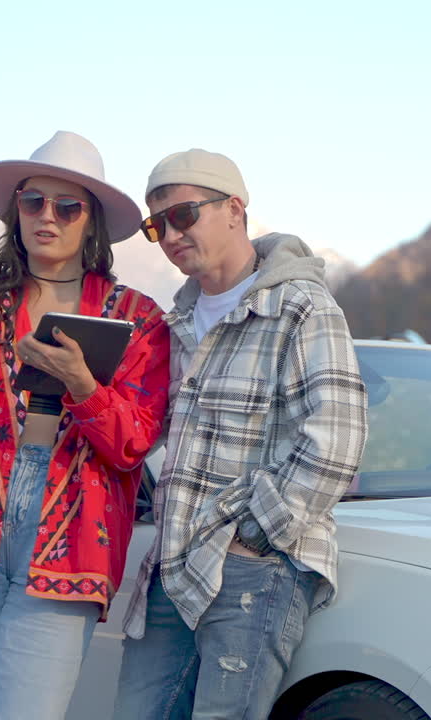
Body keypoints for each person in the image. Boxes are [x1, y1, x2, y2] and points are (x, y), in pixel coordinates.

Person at [0, 131, 170, 720]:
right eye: (33, 202)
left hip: (71, 535)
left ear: (91, 223)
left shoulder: (138, 318)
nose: (48, 217)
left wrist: (83, 384)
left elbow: (135, 442)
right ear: (14, 211)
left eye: (68, 207)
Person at [113, 149, 369, 719]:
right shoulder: (173, 326)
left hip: (252, 569)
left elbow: (336, 438)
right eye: (156, 227)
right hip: (172, 567)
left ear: (234, 209)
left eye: (182, 216)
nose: (169, 236)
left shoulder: (300, 306)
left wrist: (254, 535)